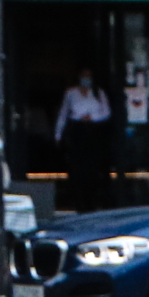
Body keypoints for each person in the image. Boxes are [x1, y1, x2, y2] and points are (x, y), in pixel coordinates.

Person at [55, 69, 113, 212]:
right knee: (77, 169)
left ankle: (92, 201)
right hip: (77, 132)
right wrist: (58, 134)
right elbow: (64, 113)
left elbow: (106, 112)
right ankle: (79, 202)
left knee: (92, 169)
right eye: (83, 76)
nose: (86, 79)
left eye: (88, 77)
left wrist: (92, 117)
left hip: (93, 133)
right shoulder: (71, 94)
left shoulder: (99, 93)